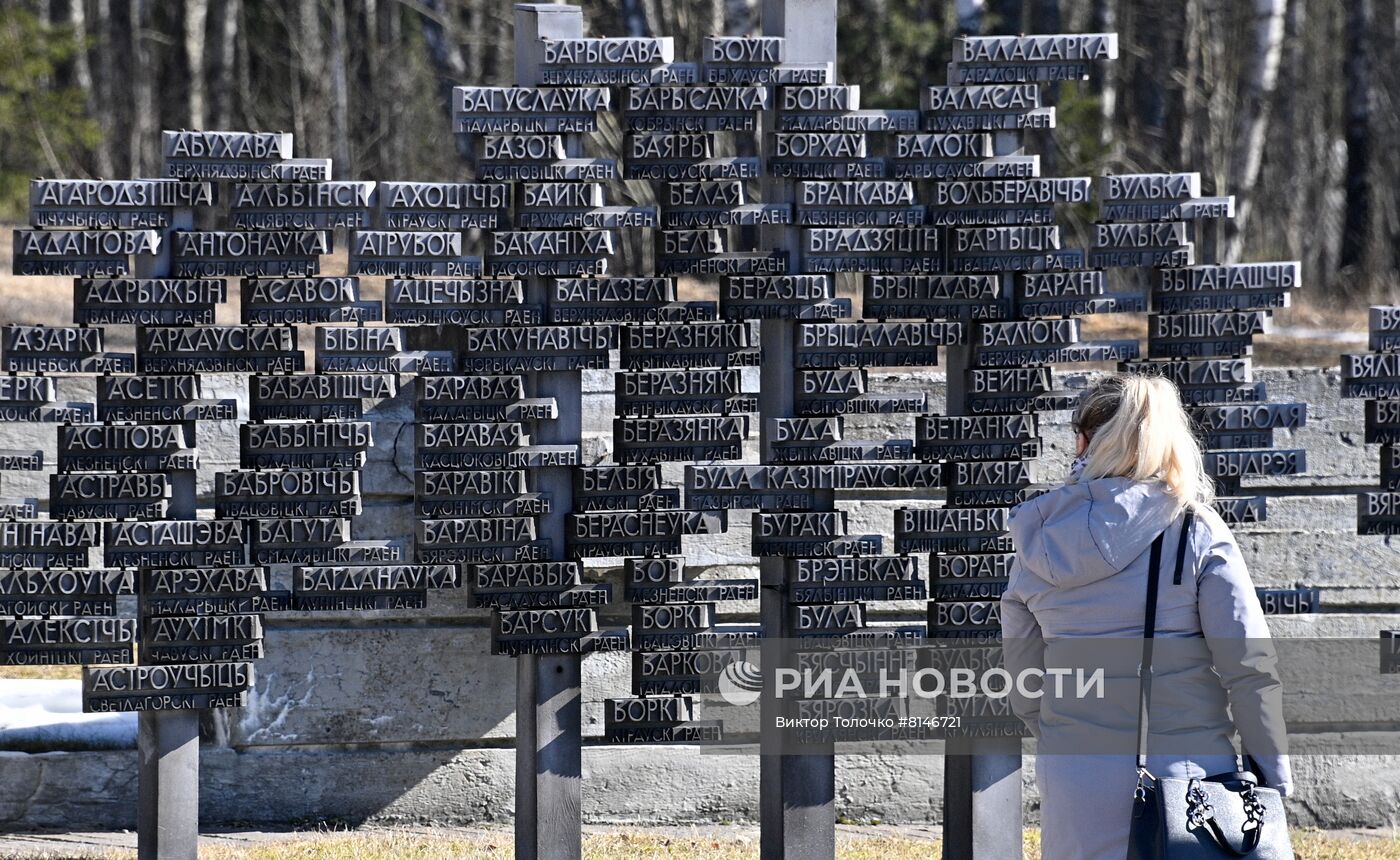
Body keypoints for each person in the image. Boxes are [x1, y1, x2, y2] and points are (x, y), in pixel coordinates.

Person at [1000, 373, 1292, 860]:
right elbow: (1251, 670)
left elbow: (1025, 684)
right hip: (1188, 782)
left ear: (1083, 440)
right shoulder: (1195, 530)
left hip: (1076, 779)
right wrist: (1272, 776)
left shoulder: (1038, 538)